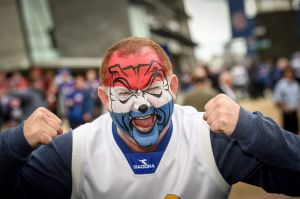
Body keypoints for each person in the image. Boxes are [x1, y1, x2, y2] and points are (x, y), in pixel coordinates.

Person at [1, 37, 300, 199]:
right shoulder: (77, 150)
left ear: (173, 87)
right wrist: (16, 142)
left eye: (154, 89)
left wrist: (251, 126)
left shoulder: (211, 139)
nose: (141, 106)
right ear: (105, 99)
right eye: (125, 95)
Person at [273, 67, 300, 134]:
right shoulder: (281, 84)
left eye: (291, 72)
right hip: (286, 112)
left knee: (295, 132)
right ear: (284, 74)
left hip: (294, 111)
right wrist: (283, 107)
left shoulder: (295, 84)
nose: (289, 74)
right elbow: (276, 99)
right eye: (288, 72)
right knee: (287, 132)